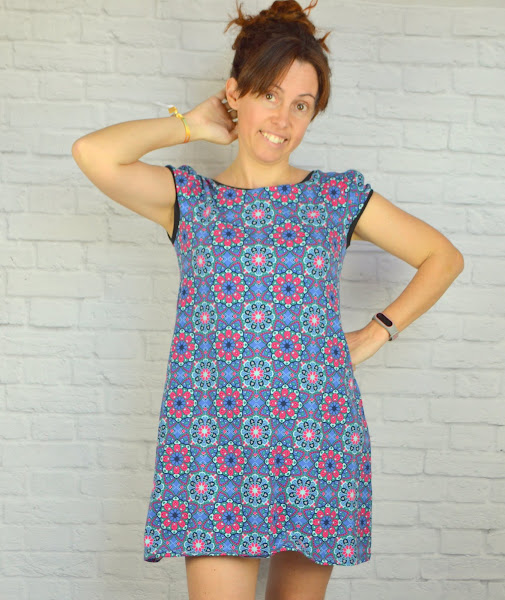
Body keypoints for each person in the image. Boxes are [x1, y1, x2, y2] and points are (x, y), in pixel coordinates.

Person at [71, 1, 464, 598]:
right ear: (236, 93)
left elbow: (443, 257)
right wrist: (191, 125)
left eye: (302, 104)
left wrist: (376, 331)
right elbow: (92, 153)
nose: (283, 118)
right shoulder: (189, 199)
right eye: (270, 95)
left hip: (315, 436)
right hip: (212, 443)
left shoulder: (336, 198)